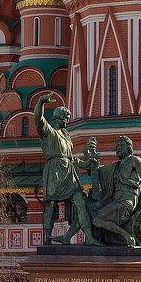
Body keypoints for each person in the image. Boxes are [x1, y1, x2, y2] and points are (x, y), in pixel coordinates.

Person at [33, 94, 95, 244]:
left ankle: (89, 237)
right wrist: (41, 101)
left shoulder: (66, 134)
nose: (67, 121)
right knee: (51, 204)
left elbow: (71, 158)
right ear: (58, 117)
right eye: (66, 118)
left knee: (80, 202)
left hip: (68, 171)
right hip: (54, 170)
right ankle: (47, 236)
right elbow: (38, 119)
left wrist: (87, 163)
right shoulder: (48, 131)